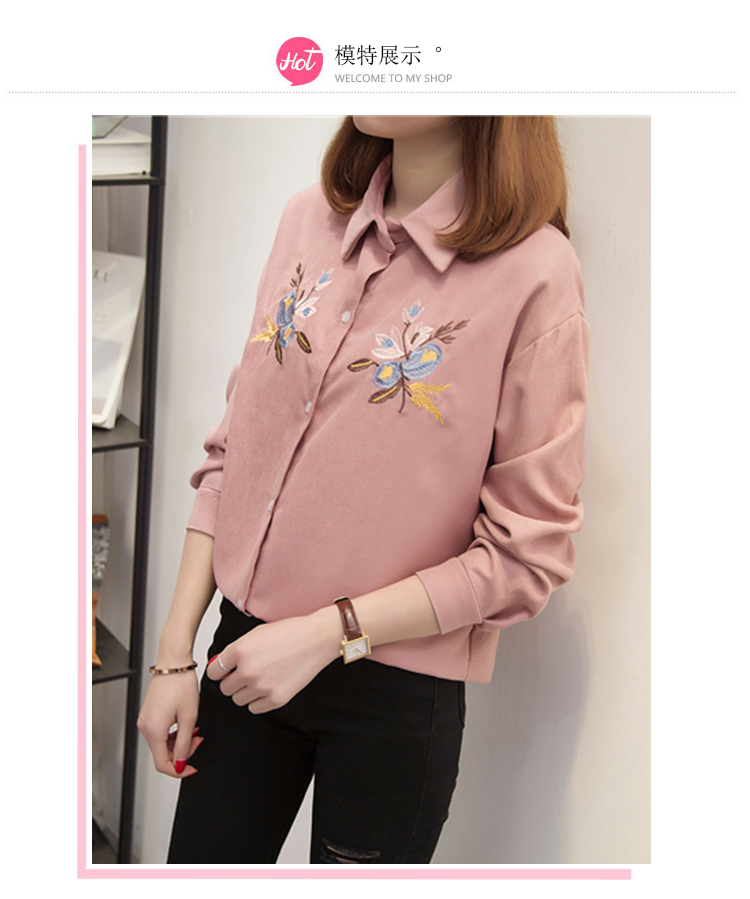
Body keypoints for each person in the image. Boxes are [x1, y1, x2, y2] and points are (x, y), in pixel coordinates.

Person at [137, 115, 589, 865]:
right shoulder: (305, 219)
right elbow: (234, 455)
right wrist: (173, 654)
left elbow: (523, 556)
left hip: (395, 695)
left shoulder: (537, 271)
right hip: (242, 656)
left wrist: (328, 634)